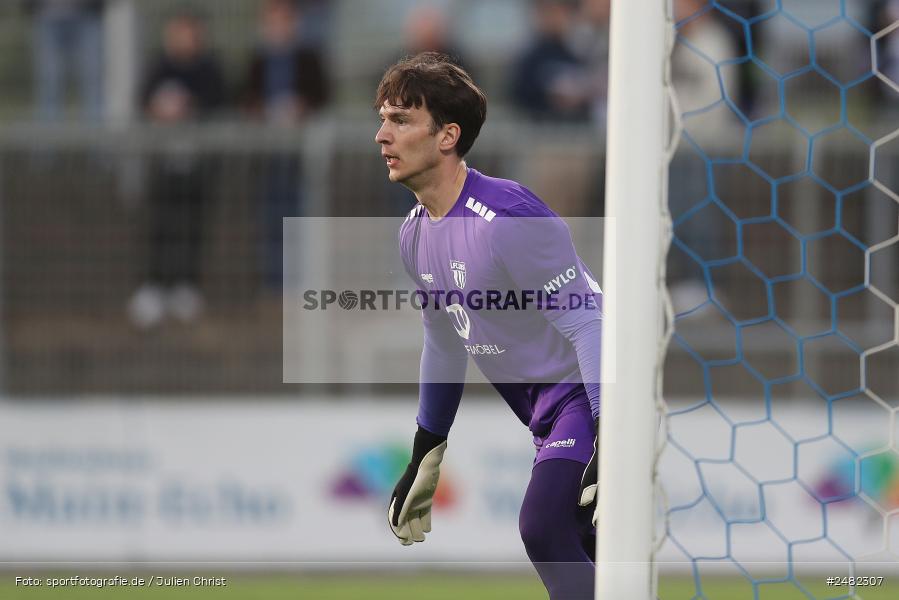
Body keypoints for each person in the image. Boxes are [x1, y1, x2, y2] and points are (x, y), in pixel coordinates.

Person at [376, 53, 602, 600]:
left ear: (447, 135)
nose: (382, 135)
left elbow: (589, 323)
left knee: (543, 525)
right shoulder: (412, 235)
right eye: (382, 119)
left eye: (401, 120)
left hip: (593, 394)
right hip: (546, 416)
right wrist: (426, 451)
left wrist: (610, 439)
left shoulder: (507, 218)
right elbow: (444, 343)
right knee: (585, 555)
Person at [127, 10, 225, 328]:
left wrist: (189, 106)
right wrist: (159, 109)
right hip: (161, 163)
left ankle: (186, 285)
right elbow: (142, 100)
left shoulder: (209, 68)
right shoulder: (158, 67)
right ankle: (154, 285)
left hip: (198, 164)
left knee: (192, 224)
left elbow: (219, 100)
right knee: (160, 224)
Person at [242, 0, 329, 290]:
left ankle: (300, 280)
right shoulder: (256, 60)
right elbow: (243, 98)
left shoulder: (309, 58)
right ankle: (274, 283)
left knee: (300, 217)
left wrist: (301, 109)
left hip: (299, 156)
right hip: (267, 156)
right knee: (270, 217)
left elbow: (322, 95)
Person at [26, 0, 105, 122]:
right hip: (47, 15)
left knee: (92, 82)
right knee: (49, 83)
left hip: (88, 15)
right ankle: (49, 139)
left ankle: (96, 138)